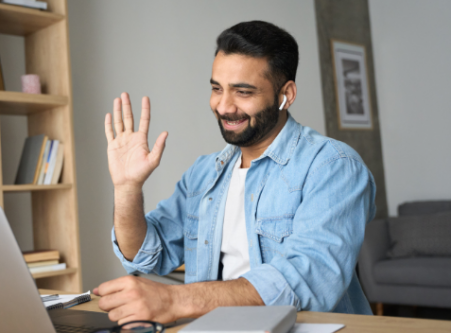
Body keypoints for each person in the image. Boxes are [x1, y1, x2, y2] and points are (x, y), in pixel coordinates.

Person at [94, 20, 376, 324]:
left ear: (286, 94)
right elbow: (147, 253)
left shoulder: (333, 166)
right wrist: (126, 189)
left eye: (243, 92)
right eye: (217, 89)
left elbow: (310, 277)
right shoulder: (204, 173)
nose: (224, 106)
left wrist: (174, 299)